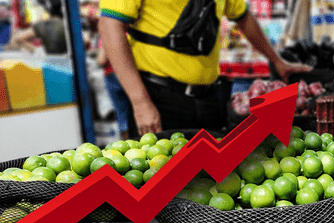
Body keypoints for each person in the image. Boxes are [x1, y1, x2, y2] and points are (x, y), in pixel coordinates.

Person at [98, 0, 312, 138]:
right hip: (159, 99)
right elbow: (109, 26)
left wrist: (277, 60)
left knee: (210, 182)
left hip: (209, 99)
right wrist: (140, 102)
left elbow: (243, 16)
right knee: (164, 186)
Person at [97, 38, 132, 140]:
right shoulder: (128, 32)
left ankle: (127, 143)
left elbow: (102, 60)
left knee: (121, 112)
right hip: (130, 75)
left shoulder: (106, 33)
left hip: (112, 76)